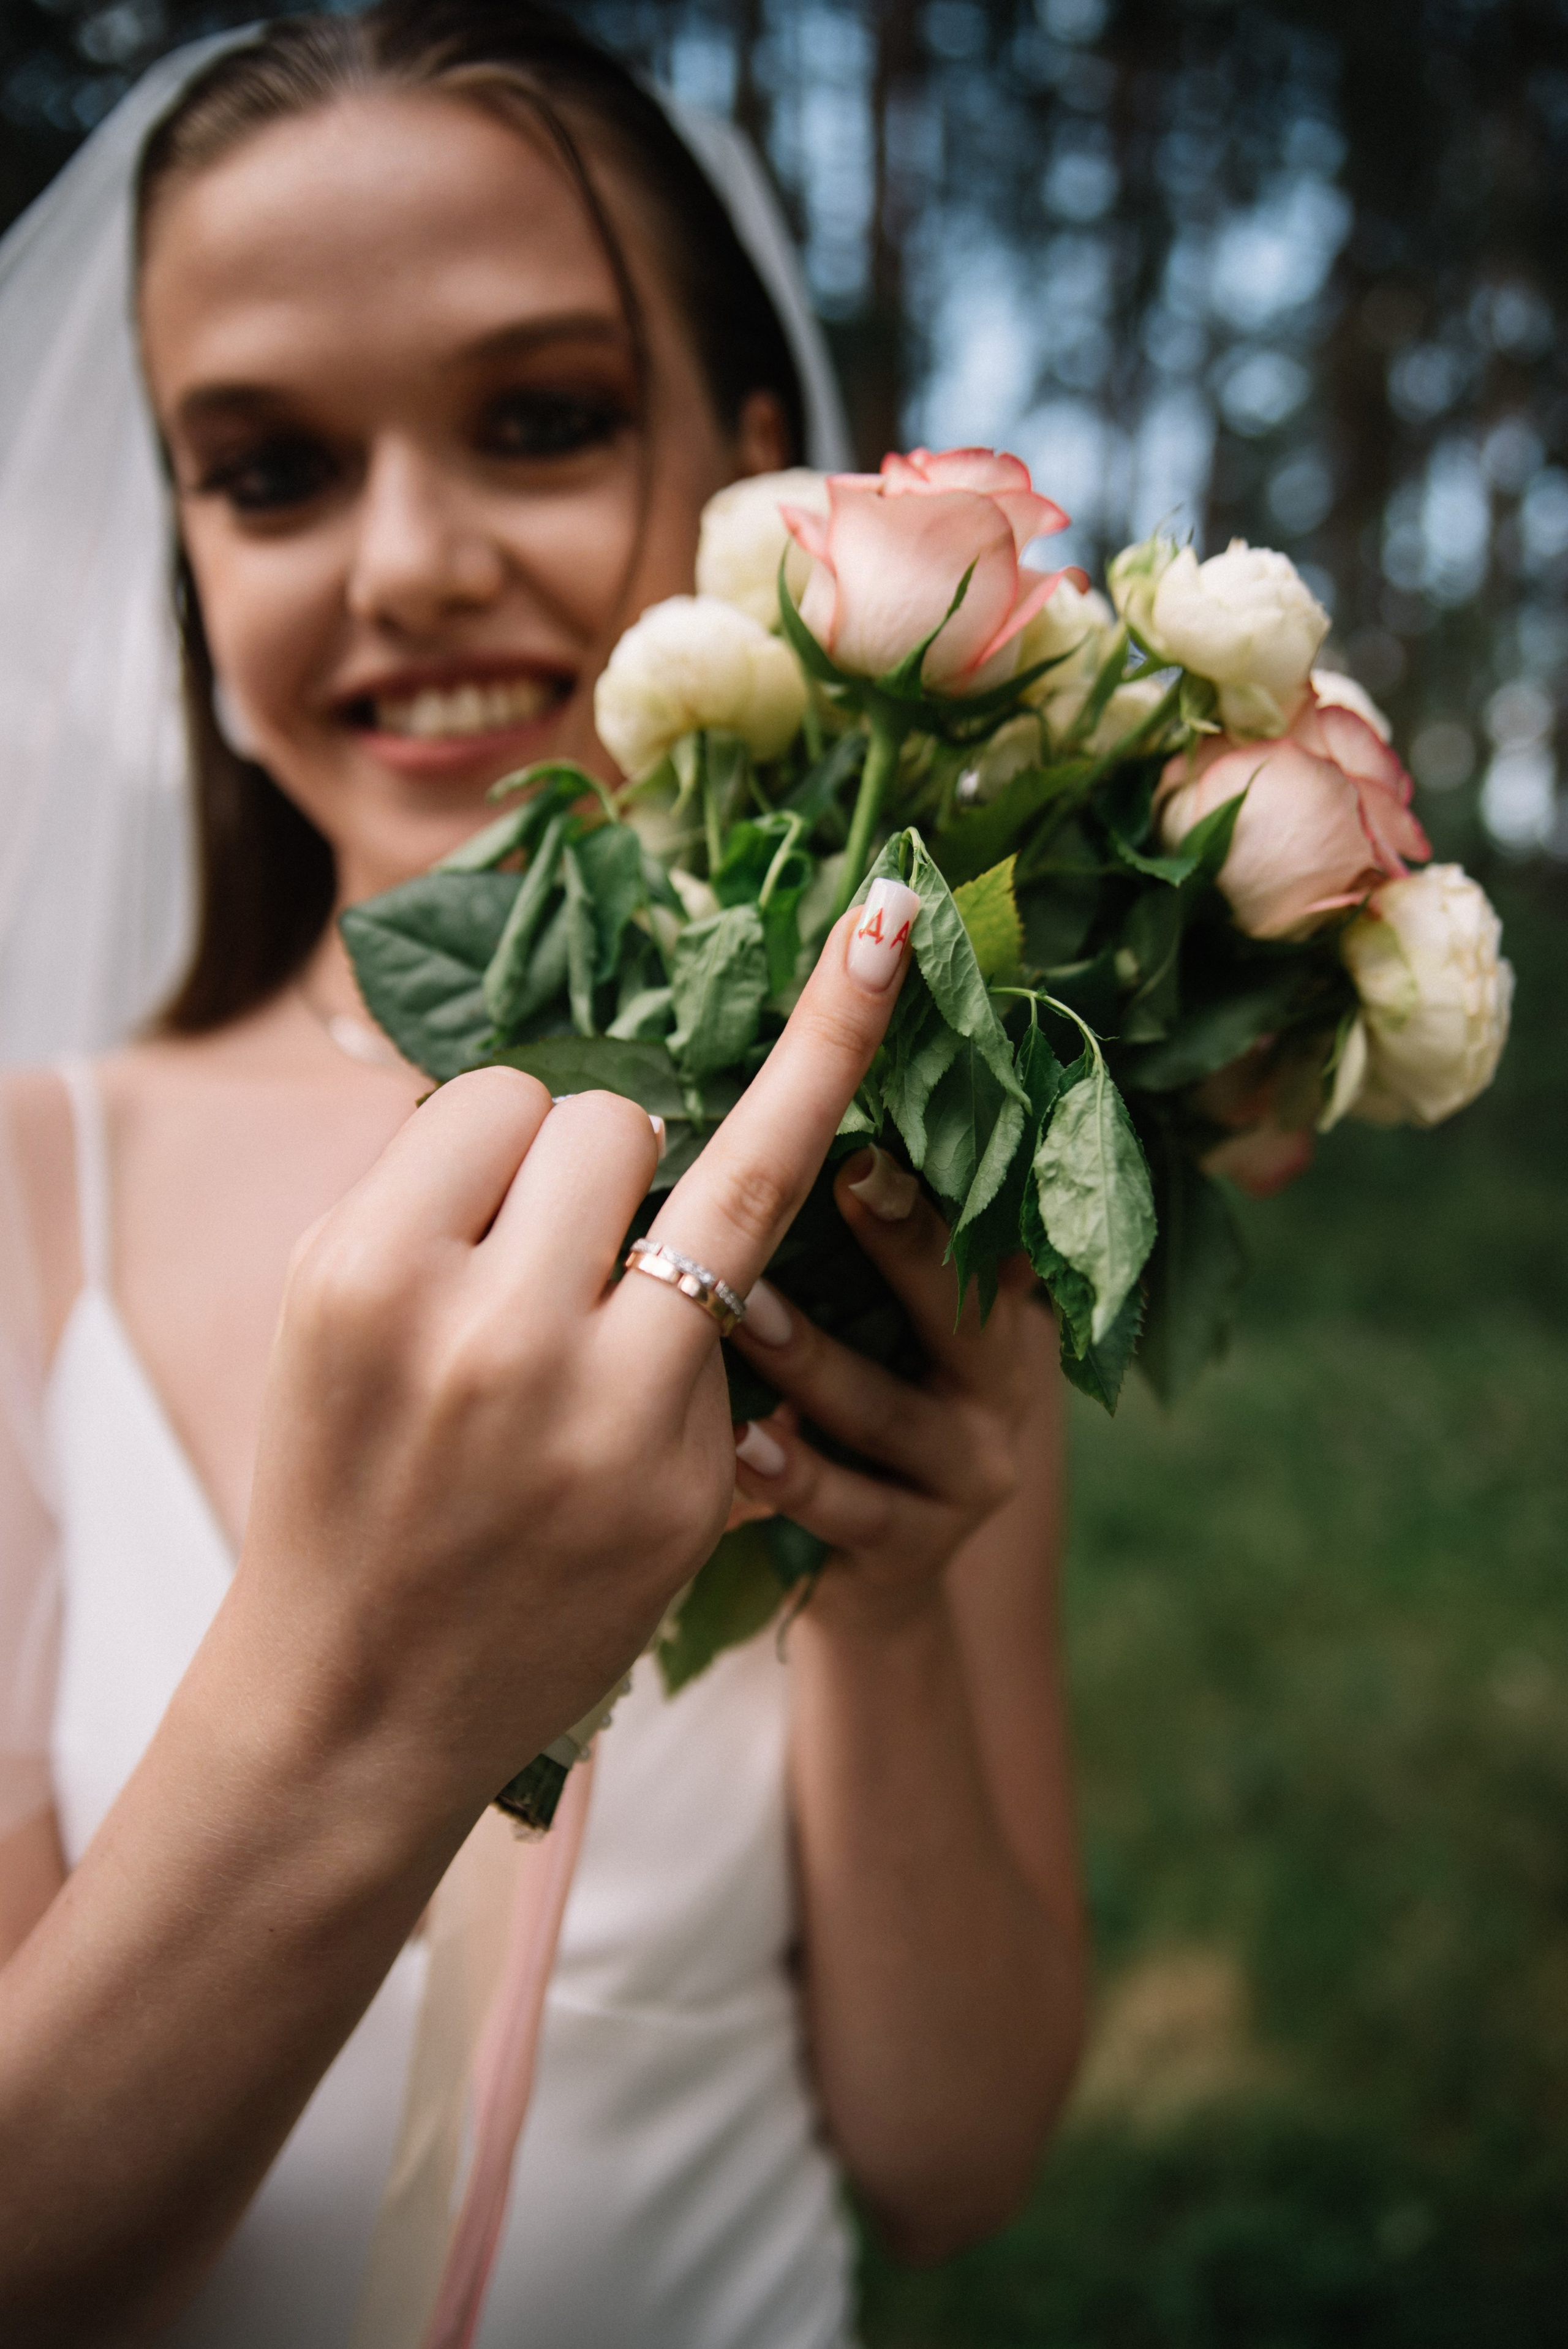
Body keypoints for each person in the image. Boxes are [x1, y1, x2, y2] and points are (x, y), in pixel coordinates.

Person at [0, 7, 1086, 2343]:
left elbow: (957, 2150)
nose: (410, 562)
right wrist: (379, 1697)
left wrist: (892, 1600)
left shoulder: (904, 1172)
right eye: (271, 472)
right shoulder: (25, 1194)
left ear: (765, 471)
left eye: (542, 422)